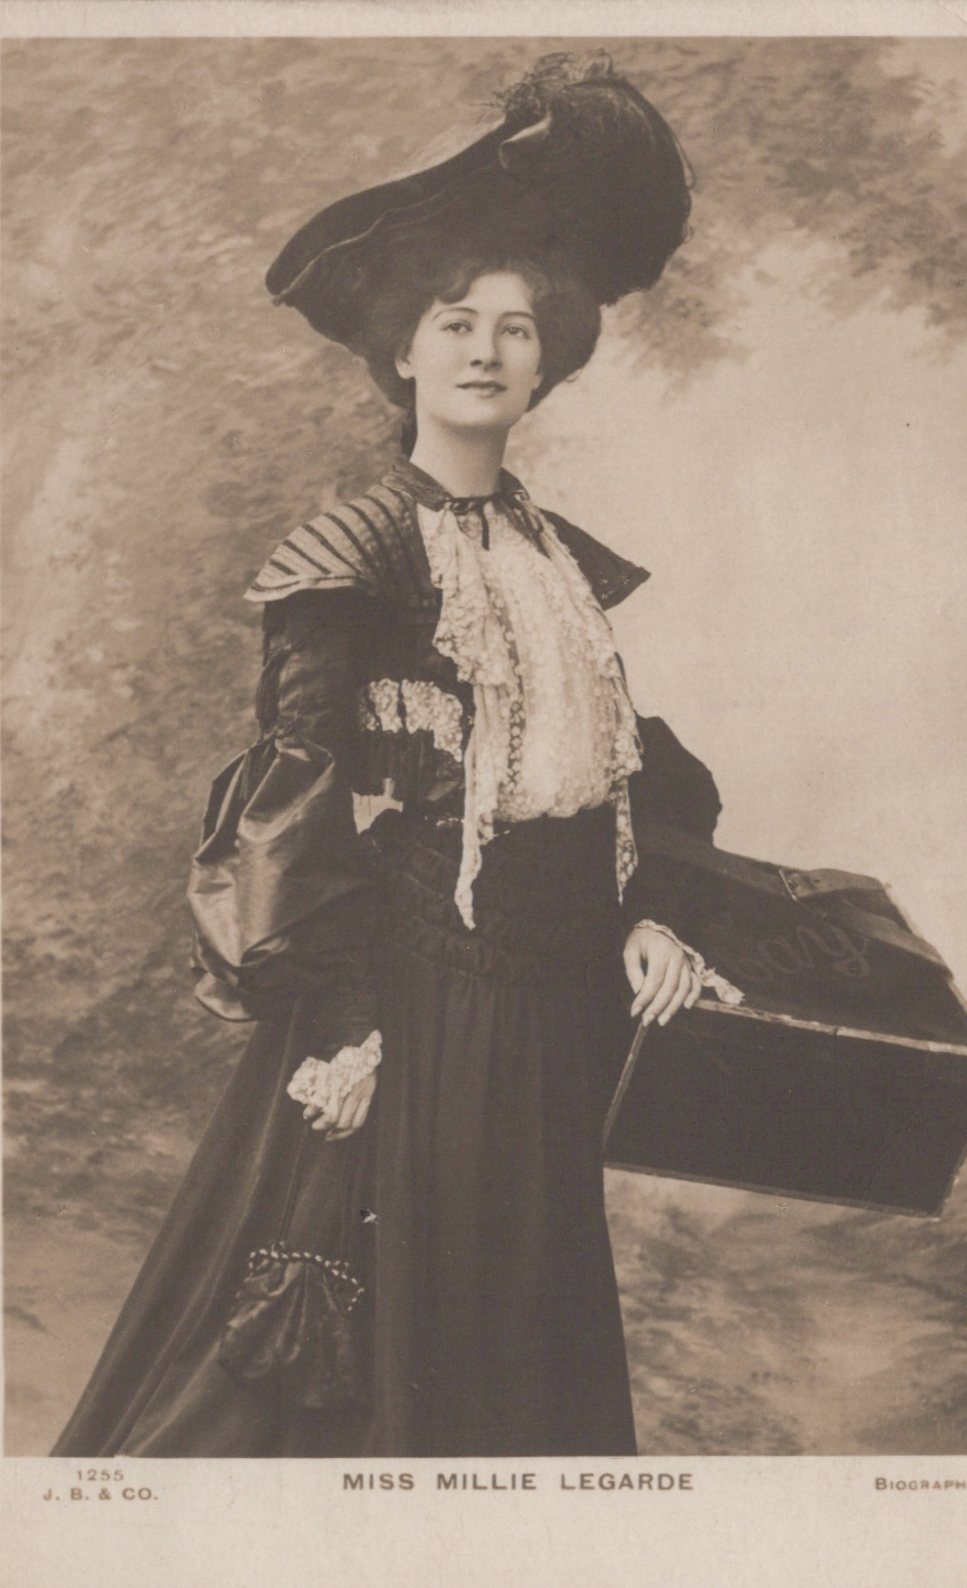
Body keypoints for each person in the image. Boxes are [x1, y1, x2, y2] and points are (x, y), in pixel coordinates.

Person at [52, 55, 739, 1461]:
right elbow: (292, 810)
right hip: (413, 1019)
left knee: (525, 1363)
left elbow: (629, 780)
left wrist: (654, 912)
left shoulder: (552, 562)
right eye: (455, 322)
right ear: (404, 354)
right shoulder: (356, 556)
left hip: (551, 1021)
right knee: (350, 1375)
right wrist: (348, 1026)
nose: (487, 350)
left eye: (515, 328)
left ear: (546, 360)